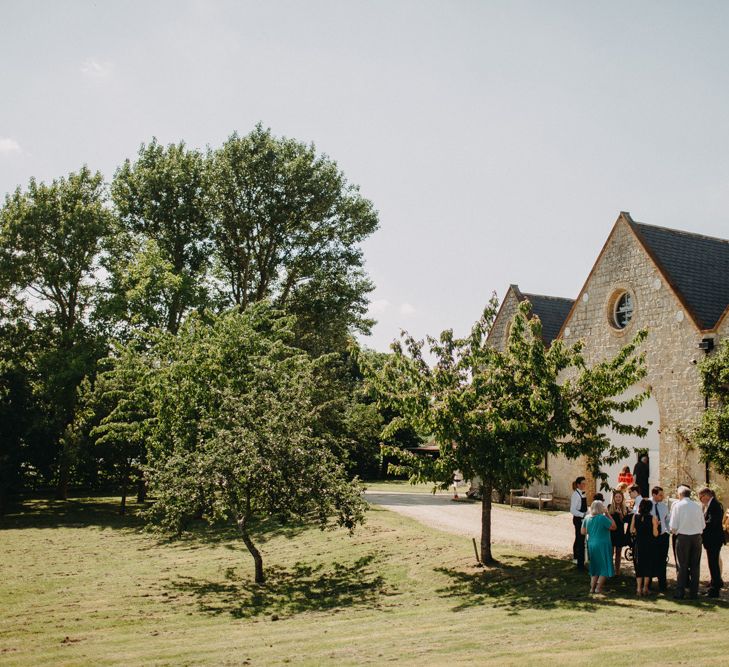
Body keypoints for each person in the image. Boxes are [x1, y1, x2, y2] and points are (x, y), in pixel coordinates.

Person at [669, 486, 706, 599]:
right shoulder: (697, 506)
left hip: (683, 537)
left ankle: (680, 592)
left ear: (680, 494)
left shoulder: (677, 506)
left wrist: (675, 532)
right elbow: (703, 525)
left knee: (682, 565)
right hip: (697, 537)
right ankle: (694, 593)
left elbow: (673, 526)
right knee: (695, 566)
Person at [581, 500, 616, 593]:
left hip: (591, 543)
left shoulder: (587, 517)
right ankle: (598, 588)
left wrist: (592, 530)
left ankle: (592, 588)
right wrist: (608, 514)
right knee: (604, 565)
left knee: (595, 565)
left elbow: (583, 532)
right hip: (603, 544)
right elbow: (614, 526)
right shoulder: (602, 518)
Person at [698, 487, 725, 598]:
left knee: (713, 563)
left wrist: (701, 524)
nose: (701, 500)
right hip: (712, 539)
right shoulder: (711, 504)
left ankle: (715, 589)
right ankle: (714, 584)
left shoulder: (715, 505)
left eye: (701, 498)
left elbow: (712, 522)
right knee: (712, 563)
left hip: (714, 539)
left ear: (706, 495)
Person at [631, 498, 659, 596]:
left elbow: (632, 530)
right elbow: (655, 534)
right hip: (649, 544)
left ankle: (638, 588)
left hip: (638, 543)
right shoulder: (653, 518)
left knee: (639, 565)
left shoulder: (635, 516)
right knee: (648, 565)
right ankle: (645, 588)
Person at [650, 486, 670, 591]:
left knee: (662, 560)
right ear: (654, 494)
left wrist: (668, 530)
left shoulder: (664, 506)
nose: (662, 497)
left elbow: (667, 519)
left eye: (662, 495)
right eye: (660, 495)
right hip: (652, 537)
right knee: (651, 559)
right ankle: (648, 583)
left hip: (663, 536)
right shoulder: (647, 504)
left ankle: (662, 584)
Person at [608, 490, 629, 575]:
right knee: (610, 552)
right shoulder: (609, 507)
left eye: (619, 497)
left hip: (620, 532)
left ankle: (617, 571)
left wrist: (620, 514)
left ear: (622, 498)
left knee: (618, 552)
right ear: (613, 498)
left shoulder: (625, 508)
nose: (618, 498)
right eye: (616, 497)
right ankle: (609, 570)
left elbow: (624, 521)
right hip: (611, 532)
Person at [570, 476, 588, 570]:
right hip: (578, 519)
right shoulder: (575, 495)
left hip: (582, 519)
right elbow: (572, 510)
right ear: (578, 485)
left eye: (585, 483)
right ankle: (580, 564)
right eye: (583, 483)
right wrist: (583, 515)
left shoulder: (582, 494)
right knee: (580, 540)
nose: (584, 485)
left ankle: (578, 559)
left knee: (580, 539)